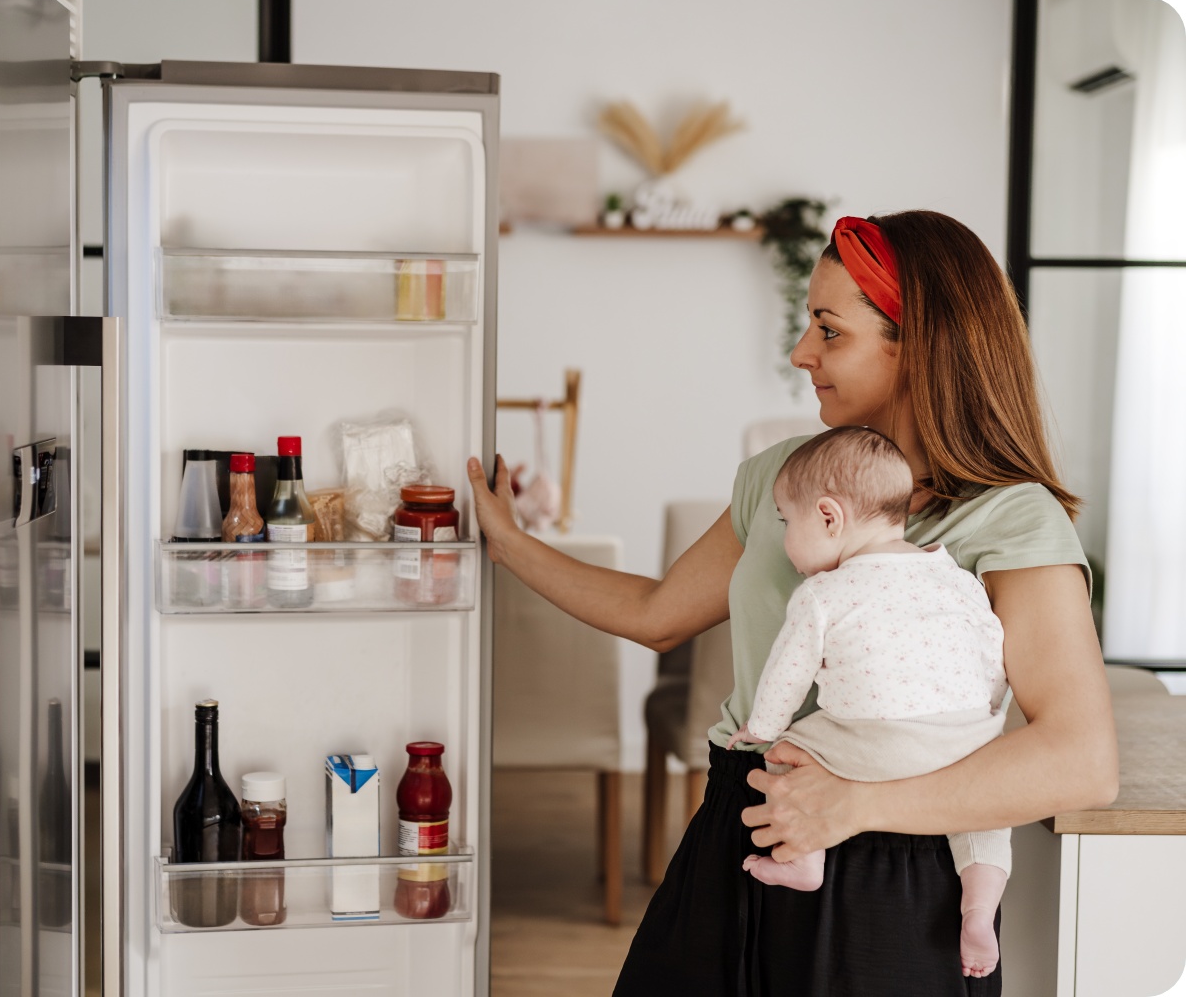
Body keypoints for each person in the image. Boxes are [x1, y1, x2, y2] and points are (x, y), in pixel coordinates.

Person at [467, 211, 1117, 996]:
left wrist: (851, 805)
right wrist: (509, 542)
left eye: (829, 330)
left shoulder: (1011, 518)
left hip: (896, 870)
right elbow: (658, 612)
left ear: (920, 344)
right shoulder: (786, 477)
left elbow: (1082, 759)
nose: (800, 353)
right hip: (738, 825)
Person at [723, 424, 1010, 979]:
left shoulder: (822, 593)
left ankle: (804, 860)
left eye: (787, 521)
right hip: (963, 738)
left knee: (792, 751)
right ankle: (979, 909)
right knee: (985, 819)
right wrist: (983, 714)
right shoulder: (952, 574)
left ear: (829, 517)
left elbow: (788, 673)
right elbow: (991, 645)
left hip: (872, 746)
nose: (784, 538)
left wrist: (762, 728)